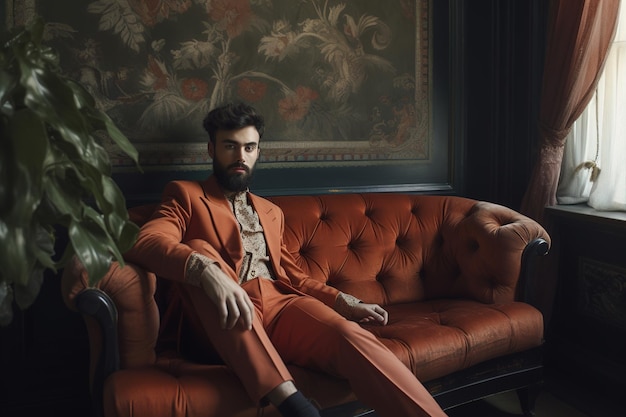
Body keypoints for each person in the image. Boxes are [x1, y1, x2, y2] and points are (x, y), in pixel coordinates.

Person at [124, 102, 448, 417]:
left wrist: (348, 304)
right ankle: (293, 404)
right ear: (211, 149)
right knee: (199, 247)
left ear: (258, 151)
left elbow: (294, 277)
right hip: (221, 316)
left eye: (249, 148)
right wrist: (206, 270)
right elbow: (145, 239)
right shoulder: (185, 195)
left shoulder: (271, 213)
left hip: (279, 304)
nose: (241, 157)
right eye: (230, 146)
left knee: (352, 336)